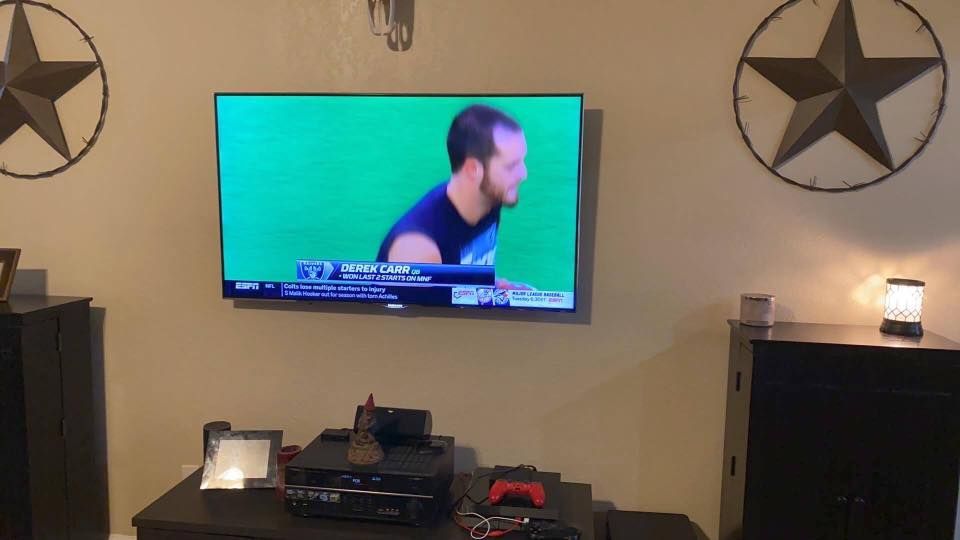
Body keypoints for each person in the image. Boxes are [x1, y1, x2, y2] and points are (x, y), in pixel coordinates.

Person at [376, 104, 532, 289]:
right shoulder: (417, 250)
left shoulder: (489, 198)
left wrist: (494, 286)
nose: (524, 174)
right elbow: (426, 317)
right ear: (473, 169)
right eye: (511, 166)